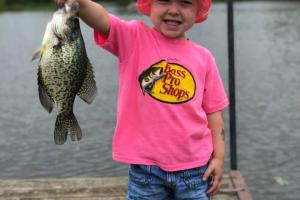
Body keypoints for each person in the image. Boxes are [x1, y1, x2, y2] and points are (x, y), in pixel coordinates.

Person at [54, 0, 229, 199]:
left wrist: (219, 157)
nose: (173, 10)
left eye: (185, 3)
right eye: (163, 1)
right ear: (149, 5)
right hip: (146, 170)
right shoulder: (134, 38)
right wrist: (79, 3)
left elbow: (213, 112)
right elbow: (102, 19)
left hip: (196, 168)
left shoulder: (204, 57)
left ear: (198, 11)